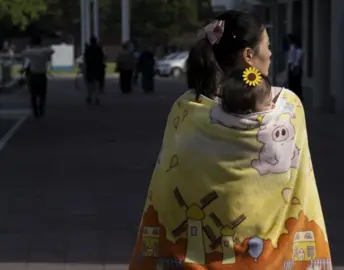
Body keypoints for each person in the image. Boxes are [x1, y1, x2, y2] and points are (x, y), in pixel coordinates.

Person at [129, 10, 331, 270]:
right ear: (249, 56)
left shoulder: (187, 108)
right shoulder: (288, 109)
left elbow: (168, 184)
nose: (270, 54)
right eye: (267, 46)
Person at [22, 35, 54, 118]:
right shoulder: (44, 51)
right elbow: (52, 50)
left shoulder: (30, 52)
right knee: (42, 94)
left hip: (33, 74)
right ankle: (41, 108)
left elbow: (23, 53)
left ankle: (35, 111)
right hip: (42, 74)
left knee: (33, 94)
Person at [83, 36, 105, 105]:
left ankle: (89, 96)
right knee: (97, 83)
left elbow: (85, 59)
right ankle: (97, 97)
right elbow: (102, 58)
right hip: (98, 68)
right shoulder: (99, 49)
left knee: (89, 83)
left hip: (90, 68)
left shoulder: (88, 49)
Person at [287, 33, 303, 100]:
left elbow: (292, 60)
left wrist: (292, 68)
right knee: (296, 84)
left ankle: (296, 97)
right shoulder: (298, 49)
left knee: (294, 84)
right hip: (296, 68)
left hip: (294, 68)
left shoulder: (293, 48)